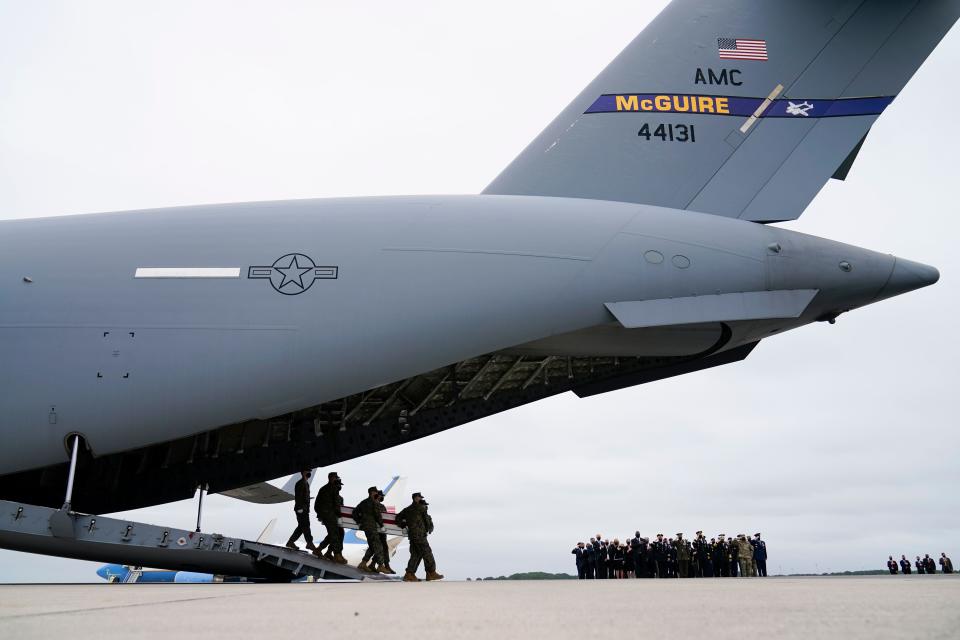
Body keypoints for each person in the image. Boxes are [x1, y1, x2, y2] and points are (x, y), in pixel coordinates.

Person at [397, 492, 443, 581]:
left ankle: (409, 574)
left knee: (416, 554)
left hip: (415, 535)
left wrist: (404, 525)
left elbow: (398, 518)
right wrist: (404, 525)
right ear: (415, 498)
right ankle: (431, 572)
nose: (420, 499)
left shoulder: (409, 509)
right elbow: (427, 521)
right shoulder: (417, 508)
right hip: (419, 535)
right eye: (419, 498)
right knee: (427, 552)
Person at [353, 486, 391, 574]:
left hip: (367, 527)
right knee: (378, 545)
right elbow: (378, 515)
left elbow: (355, 512)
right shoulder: (373, 502)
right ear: (372, 493)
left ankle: (363, 563)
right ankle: (380, 566)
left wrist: (360, 522)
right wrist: (381, 525)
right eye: (376, 492)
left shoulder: (364, 502)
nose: (377, 493)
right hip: (371, 528)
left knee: (372, 546)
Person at [313, 471, 347, 563]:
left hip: (332, 516)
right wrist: (321, 514)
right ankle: (337, 554)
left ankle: (322, 550)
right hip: (329, 516)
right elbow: (318, 504)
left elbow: (339, 508)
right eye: (336, 479)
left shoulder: (336, 494)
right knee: (334, 534)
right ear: (331, 478)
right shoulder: (328, 489)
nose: (339, 485)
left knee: (338, 533)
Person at [360, 490, 395, 574]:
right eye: (380, 495)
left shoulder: (382, 506)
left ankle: (382, 564)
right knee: (375, 547)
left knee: (384, 548)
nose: (382, 497)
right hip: (374, 529)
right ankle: (367, 563)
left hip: (381, 530)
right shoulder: (371, 504)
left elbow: (385, 518)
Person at [285, 470, 317, 551]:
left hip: (304, 509)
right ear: (302, 473)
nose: (308, 473)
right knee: (305, 525)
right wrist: (300, 508)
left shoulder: (306, 483)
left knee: (301, 527)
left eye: (309, 471)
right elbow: (298, 497)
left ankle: (290, 542)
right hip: (301, 509)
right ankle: (309, 543)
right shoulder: (300, 483)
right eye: (307, 471)